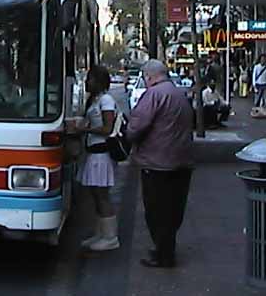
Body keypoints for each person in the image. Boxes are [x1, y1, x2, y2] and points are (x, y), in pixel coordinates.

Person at [127, 59, 194, 268]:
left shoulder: (154, 95)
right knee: (174, 210)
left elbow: (136, 126)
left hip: (157, 163)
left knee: (157, 211)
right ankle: (166, 248)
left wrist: (128, 136)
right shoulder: (179, 94)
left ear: (149, 76)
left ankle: (163, 254)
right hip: (181, 161)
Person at [74, 65, 120, 252]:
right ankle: (101, 233)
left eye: (90, 79)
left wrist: (85, 129)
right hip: (93, 152)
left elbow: (107, 129)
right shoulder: (95, 100)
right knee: (95, 194)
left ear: (99, 81)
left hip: (101, 154)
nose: (86, 82)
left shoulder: (106, 100)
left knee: (102, 195)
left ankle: (110, 237)